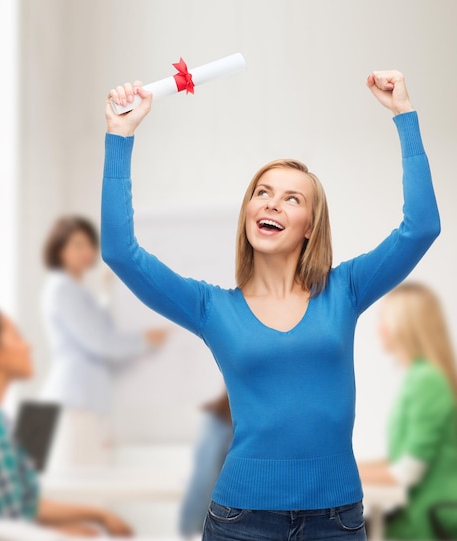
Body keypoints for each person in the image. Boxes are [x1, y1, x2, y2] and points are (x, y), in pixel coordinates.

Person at [101, 70, 439, 541]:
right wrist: (121, 136)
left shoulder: (346, 290)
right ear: (247, 214)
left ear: (309, 227)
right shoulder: (210, 307)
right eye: (262, 193)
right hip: (241, 521)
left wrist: (404, 113)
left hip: (336, 520)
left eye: (291, 198)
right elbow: (120, 251)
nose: (272, 204)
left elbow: (421, 227)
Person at [0, 304, 134, 537]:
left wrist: (96, 514)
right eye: (16, 336)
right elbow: (7, 533)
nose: (28, 345)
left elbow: (21, 507)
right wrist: (70, 535)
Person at [40, 216, 167, 469]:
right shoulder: (61, 288)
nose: (87, 251)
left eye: (89, 244)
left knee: (84, 482)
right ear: (59, 249)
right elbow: (100, 341)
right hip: (72, 402)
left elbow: (100, 328)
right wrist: (145, 339)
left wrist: (105, 290)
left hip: (79, 401)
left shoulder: (74, 289)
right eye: (77, 245)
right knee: (78, 487)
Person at [359, 282, 457, 540]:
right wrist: (340, 467)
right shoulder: (419, 377)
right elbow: (398, 459)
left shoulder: (427, 381)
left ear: (405, 326)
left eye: (384, 320)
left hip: (429, 523)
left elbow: (405, 472)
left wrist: (338, 472)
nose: (378, 330)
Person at [179, 391, 233, 538]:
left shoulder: (221, 418)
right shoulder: (221, 418)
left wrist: (187, 530)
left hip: (222, 516)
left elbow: (203, 478)